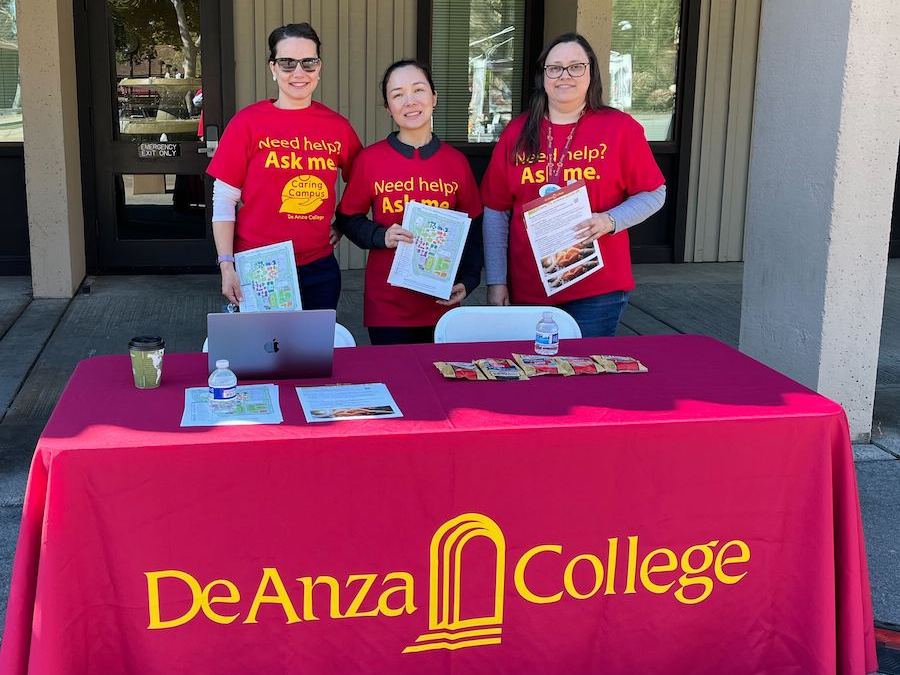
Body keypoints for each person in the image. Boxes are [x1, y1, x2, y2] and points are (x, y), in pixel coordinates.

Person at [480, 33, 666, 337]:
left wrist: (610, 220)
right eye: (554, 68)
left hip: (598, 290)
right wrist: (497, 281)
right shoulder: (517, 132)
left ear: (591, 72)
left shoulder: (619, 129)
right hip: (530, 289)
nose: (564, 75)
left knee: (586, 378)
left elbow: (654, 192)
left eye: (575, 66)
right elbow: (495, 211)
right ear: (543, 76)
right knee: (533, 376)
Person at [207, 23, 362, 310]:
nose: (299, 73)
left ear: (320, 67)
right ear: (273, 68)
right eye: (287, 63)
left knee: (313, 353)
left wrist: (342, 222)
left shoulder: (337, 127)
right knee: (262, 353)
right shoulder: (247, 123)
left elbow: (361, 183)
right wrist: (226, 264)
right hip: (258, 266)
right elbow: (224, 199)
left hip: (318, 267)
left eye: (308, 62)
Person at [335, 59, 483, 345]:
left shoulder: (456, 162)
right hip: (388, 305)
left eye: (418, 90)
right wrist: (380, 235)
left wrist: (469, 279)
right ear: (388, 108)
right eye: (397, 94)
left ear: (434, 97)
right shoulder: (371, 160)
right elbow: (347, 217)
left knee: (440, 383)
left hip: (442, 300)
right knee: (396, 382)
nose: (410, 101)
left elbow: (473, 226)